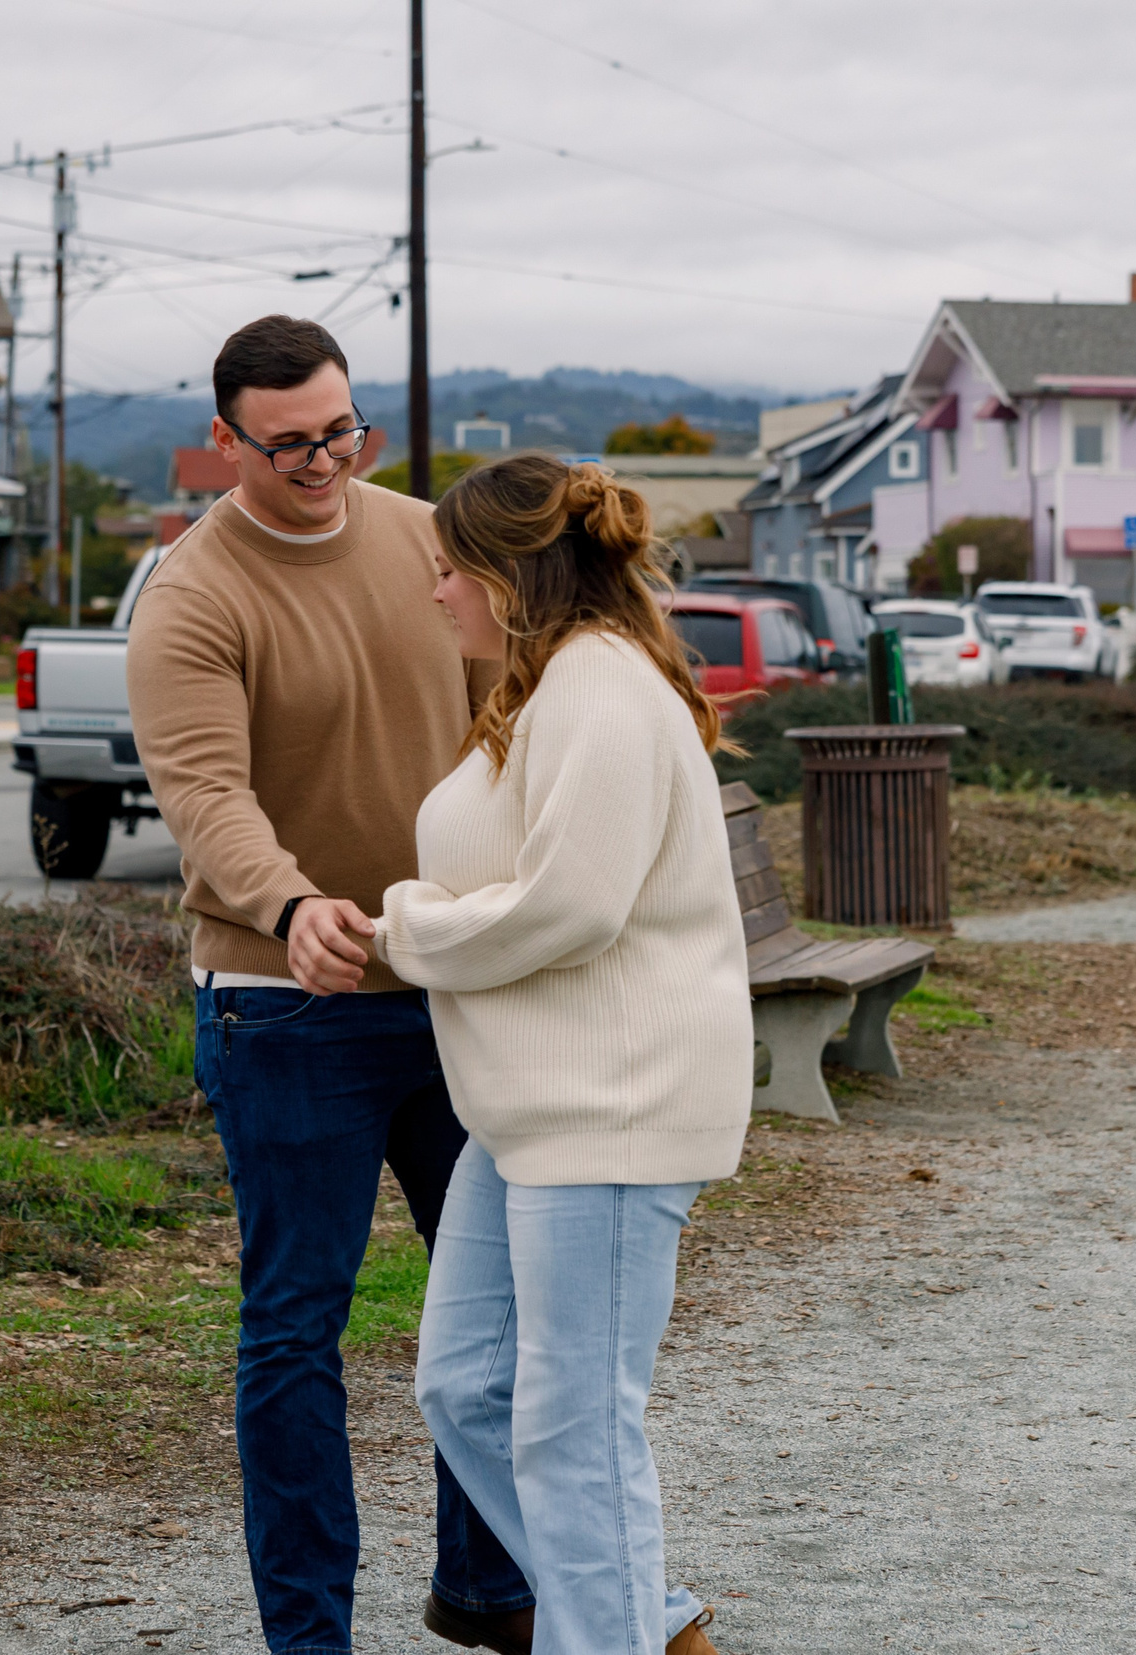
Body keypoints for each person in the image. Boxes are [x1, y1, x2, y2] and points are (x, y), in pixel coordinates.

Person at [127, 316, 536, 1655]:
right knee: (297, 1330)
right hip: (284, 1009)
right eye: (290, 441)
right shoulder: (194, 594)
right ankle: (310, 1636)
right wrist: (295, 903)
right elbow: (205, 795)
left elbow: (511, 714)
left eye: (342, 431)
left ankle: (488, 1587)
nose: (324, 460)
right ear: (226, 442)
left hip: (453, 985)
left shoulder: (430, 539)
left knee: (499, 1302)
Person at [374, 454, 753, 1655]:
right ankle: (644, 1620)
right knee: (469, 1388)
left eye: (448, 569)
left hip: (611, 1105)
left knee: (575, 1426)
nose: (435, 593)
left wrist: (405, 929)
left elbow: (572, 905)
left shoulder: (597, 687)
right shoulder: (544, 688)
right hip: (532, 1109)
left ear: (503, 573)